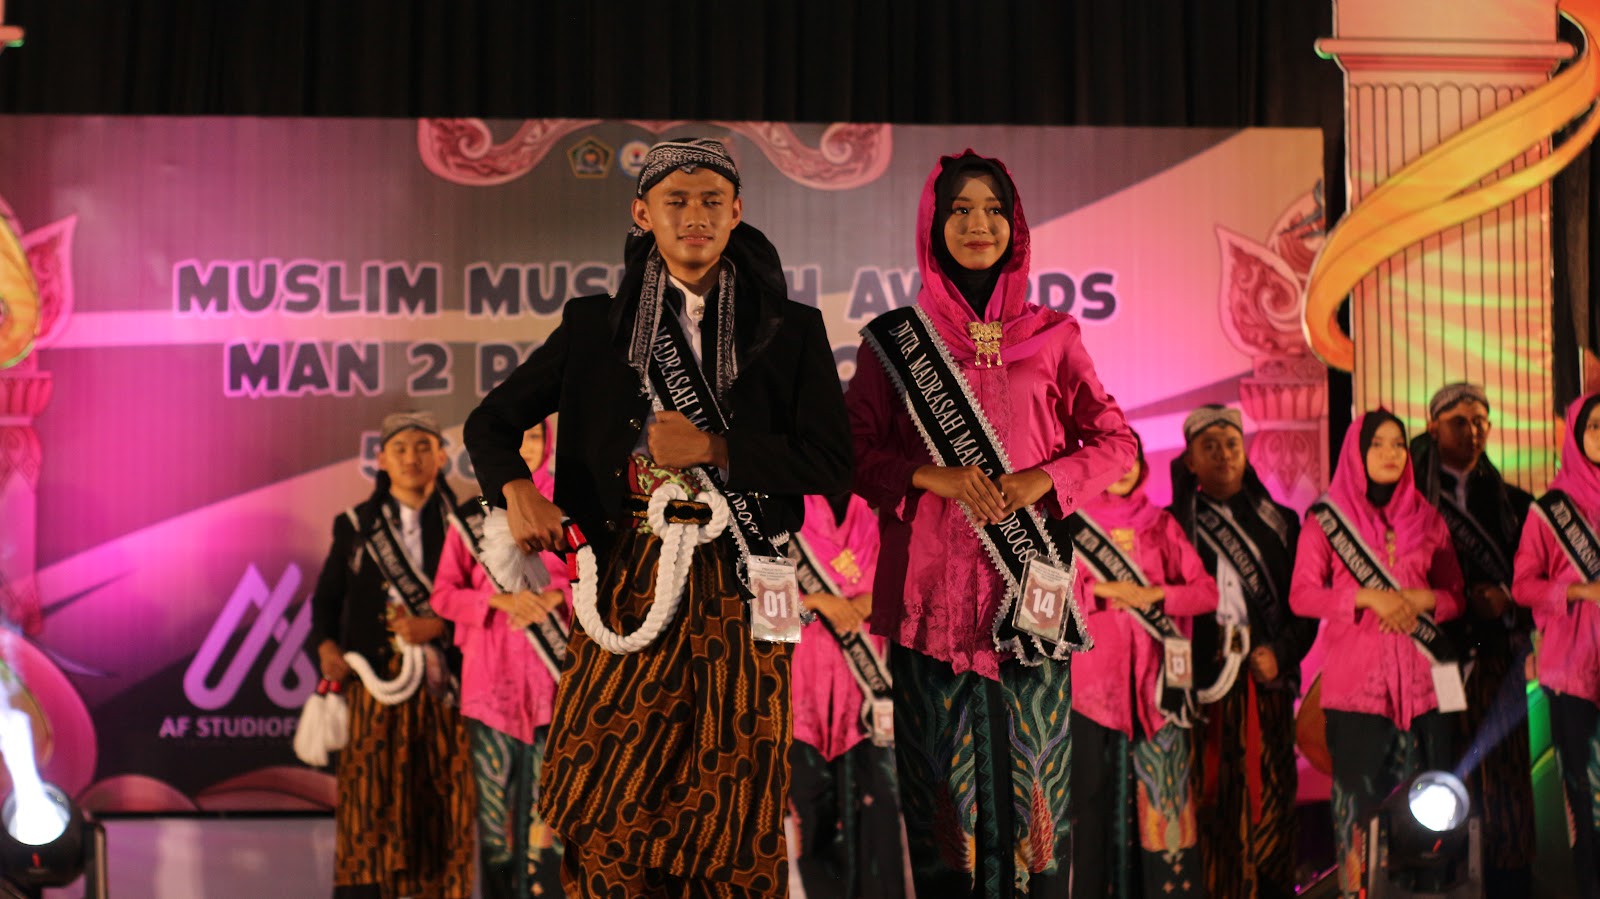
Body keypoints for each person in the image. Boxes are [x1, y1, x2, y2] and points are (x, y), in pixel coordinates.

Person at [464, 137, 852, 898]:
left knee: (731, 790)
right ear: (643, 213)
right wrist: (515, 489)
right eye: (677, 200)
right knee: (608, 781)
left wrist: (715, 448)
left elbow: (832, 465)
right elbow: (491, 423)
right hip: (625, 578)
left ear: (737, 212)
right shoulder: (594, 326)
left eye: (712, 200)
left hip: (740, 582)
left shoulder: (790, 328)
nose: (695, 215)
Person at [847, 149, 1136, 898]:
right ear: (933, 224)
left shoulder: (1055, 334)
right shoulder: (893, 340)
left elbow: (1117, 442)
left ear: (1017, 226)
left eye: (994, 210)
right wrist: (928, 475)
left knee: (1037, 811)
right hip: (929, 606)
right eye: (961, 210)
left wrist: (1047, 478)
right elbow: (851, 452)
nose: (979, 224)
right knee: (946, 821)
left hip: (1029, 598)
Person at [1289, 411, 1465, 897]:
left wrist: (1424, 600)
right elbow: (1302, 596)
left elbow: (1455, 596)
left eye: (1398, 444)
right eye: (1378, 444)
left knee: (1428, 810)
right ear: (1357, 452)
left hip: (1425, 690)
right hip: (1357, 692)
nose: (1390, 453)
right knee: (1359, 812)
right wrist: (1368, 598)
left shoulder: (1427, 518)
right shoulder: (1327, 520)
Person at [308, 410, 475, 899]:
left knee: (441, 801)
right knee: (370, 804)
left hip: (447, 693)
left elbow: (490, 599)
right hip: (374, 689)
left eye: (423, 447)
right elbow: (326, 599)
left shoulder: (467, 524)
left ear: (442, 457)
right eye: (399, 449)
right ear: (381, 460)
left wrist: (439, 626)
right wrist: (326, 645)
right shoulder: (355, 526)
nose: (411, 458)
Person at [1167, 405, 1312, 899]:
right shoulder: (1172, 525)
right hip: (1201, 693)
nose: (1223, 455)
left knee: (1272, 801)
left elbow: (1303, 608)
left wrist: (1282, 653)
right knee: (1211, 805)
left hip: (1265, 686)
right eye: (1209, 447)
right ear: (1190, 461)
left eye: (1231, 444)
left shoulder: (1282, 523)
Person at [1068, 435, 1216, 899]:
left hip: (1157, 691)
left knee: (1163, 805)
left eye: (1134, 458)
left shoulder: (1161, 524)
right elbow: (1046, 596)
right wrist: (1103, 592)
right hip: (1092, 693)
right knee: (1090, 805)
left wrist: (1156, 595)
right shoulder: (1072, 522)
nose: (1126, 466)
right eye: (1116, 458)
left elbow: (1205, 593)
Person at [431, 421, 569, 898]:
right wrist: (498, 601)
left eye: (534, 437)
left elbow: (594, 582)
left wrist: (556, 597)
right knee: (494, 823)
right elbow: (443, 595)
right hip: (490, 688)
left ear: (547, 445)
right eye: (514, 437)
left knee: (551, 817)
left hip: (556, 686)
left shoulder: (567, 512)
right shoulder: (468, 519)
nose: (524, 448)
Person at [1411, 383, 1535, 895]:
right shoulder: (1412, 500)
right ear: (1433, 426)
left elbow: (1537, 576)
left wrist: (1506, 598)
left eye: (1481, 421)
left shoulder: (1514, 502)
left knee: (1507, 774)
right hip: (1437, 659)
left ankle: (1510, 879)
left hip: (1498, 657)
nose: (1473, 431)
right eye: (1459, 421)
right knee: (1444, 770)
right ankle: (1448, 876)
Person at [787, 492, 906, 899]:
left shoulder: (873, 514)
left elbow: (906, 588)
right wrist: (817, 602)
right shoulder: (786, 511)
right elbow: (762, 604)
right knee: (813, 816)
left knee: (876, 819)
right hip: (805, 695)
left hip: (866, 697)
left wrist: (873, 600)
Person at [1512, 392, 1600, 899]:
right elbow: (1523, 586)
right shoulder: (1550, 511)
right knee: (1585, 796)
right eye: (1595, 427)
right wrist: (1579, 590)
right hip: (1573, 670)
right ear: (1576, 435)